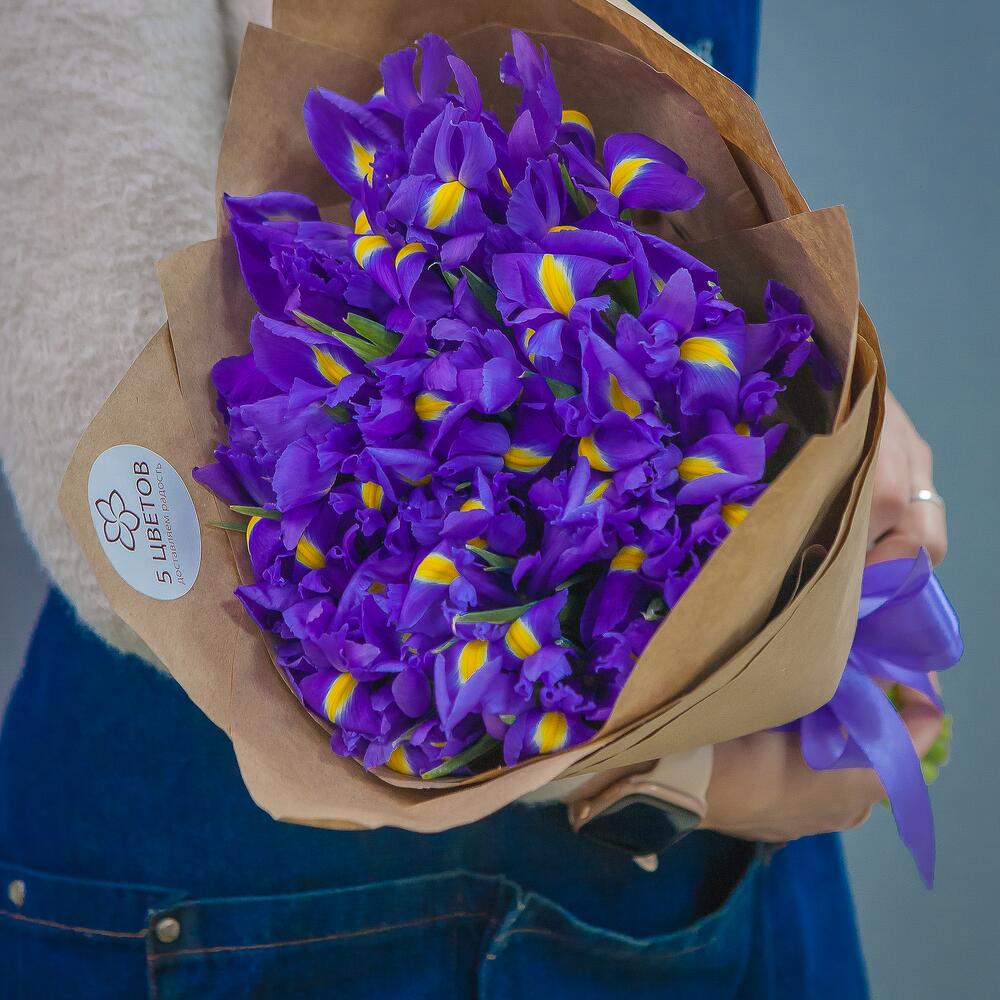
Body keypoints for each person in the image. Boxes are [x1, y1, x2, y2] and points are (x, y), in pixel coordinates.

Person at [0, 1, 948, 996]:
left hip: (727, 843)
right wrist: (658, 771)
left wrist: (823, 439)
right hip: (261, 901)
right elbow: (90, 360)